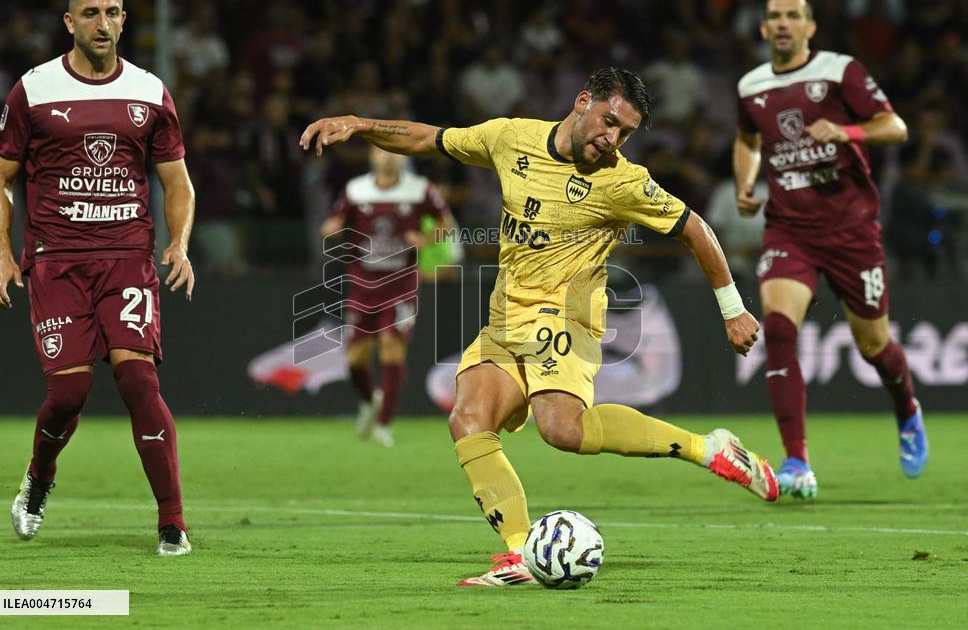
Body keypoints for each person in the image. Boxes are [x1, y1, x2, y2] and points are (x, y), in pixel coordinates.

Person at [302, 66, 778, 587]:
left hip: (568, 313)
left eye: (624, 132)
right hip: (506, 313)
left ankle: (707, 449)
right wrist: (358, 123)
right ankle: (517, 556)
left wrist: (732, 308)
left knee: (561, 429)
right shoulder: (511, 138)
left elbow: (696, 229)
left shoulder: (624, 181)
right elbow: (429, 138)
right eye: (608, 121)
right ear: (582, 101)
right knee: (467, 419)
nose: (612, 138)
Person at [0, 0, 195, 555]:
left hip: (127, 257)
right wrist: (4, 257)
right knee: (69, 394)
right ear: (69, 23)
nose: (103, 23)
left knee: (137, 377)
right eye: (91, 13)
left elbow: (176, 180)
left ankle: (172, 521)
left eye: (113, 12)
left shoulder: (150, 92)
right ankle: (39, 479)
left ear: (125, 19)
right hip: (56, 262)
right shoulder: (34, 89)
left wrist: (178, 242)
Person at [733, 0, 926, 500]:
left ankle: (906, 407)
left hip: (851, 229)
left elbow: (895, 126)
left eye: (792, 16)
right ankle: (797, 460)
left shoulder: (841, 71)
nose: (782, 24)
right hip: (789, 229)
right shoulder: (751, 85)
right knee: (777, 327)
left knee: (874, 346)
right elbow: (748, 139)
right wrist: (745, 182)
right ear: (763, 27)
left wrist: (848, 134)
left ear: (809, 27)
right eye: (774, 16)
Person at [321, 146, 453, 447]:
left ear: (403, 157)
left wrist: (425, 238)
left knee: (392, 349)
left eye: (392, 151)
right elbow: (335, 221)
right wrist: (331, 229)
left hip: (401, 284)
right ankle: (369, 402)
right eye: (381, 151)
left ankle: (384, 425)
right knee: (355, 358)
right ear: (371, 156)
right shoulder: (356, 189)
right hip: (363, 284)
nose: (388, 156)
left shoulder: (420, 190)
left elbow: (446, 225)